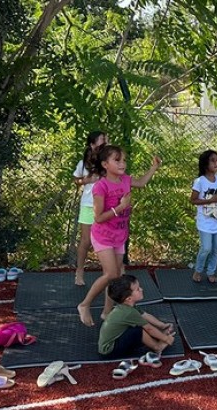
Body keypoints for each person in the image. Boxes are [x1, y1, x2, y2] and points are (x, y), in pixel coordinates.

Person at [76, 145, 162, 327]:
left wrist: (153, 168)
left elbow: (142, 182)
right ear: (105, 164)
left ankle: (107, 312)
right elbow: (98, 218)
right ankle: (84, 304)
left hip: (119, 234)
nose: (122, 163)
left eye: (124, 160)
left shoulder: (125, 180)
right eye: (117, 160)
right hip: (103, 235)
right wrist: (120, 208)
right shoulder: (101, 186)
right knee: (111, 274)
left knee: (116, 277)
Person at [98, 274, 175, 359]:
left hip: (116, 341)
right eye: (138, 289)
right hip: (109, 351)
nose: (141, 289)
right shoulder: (129, 312)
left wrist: (162, 325)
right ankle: (157, 347)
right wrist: (166, 339)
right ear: (129, 298)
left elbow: (145, 315)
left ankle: (155, 339)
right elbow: (149, 329)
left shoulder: (127, 306)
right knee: (137, 330)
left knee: (138, 326)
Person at [73, 131, 108, 285]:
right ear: (92, 144)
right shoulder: (83, 163)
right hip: (88, 205)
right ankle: (79, 271)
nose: (105, 141)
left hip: (107, 206)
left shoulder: (109, 161)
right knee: (86, 241)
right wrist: (85, 180)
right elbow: (76, 180)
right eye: (102, 139)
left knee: (107, 240)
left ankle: (109, 272)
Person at [190, 150, 217, 284]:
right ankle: (198, 270)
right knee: (206, 248)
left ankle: (211, 272)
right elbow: (193, 200)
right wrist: (210, 201)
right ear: (205, 165)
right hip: (205, 223)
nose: (216, 162)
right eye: (212, 160)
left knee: (216, 248)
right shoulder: (200, 181)